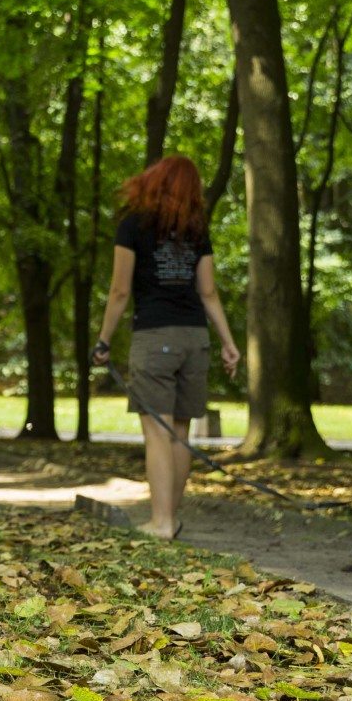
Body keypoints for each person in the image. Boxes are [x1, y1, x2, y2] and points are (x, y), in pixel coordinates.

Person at [91, 154, 242, 539]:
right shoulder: (196, 230)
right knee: (180, 433)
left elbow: (120, 290)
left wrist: (103, 340)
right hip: (194, 338)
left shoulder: (132, 227)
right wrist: (228, 343)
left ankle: (161, 522)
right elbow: (207, 292)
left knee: (157, 434)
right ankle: (170, 518)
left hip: (155, 336)